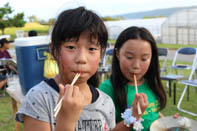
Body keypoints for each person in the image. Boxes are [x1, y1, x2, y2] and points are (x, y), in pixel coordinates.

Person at [15, 7, 148, 131]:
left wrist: (133, 117)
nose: (82, 59)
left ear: (101, 54)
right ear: (53, 51)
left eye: (92, 49)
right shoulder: (39, 99)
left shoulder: (105, 102)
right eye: (71, 47)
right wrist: (66, 122)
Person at [99, 26, 167, 130]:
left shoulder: (151, 83)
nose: (136, 65)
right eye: (129, 57)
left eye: (144, 59)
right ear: (118, 54)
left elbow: (154, 112)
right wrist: (134, 116)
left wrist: (168, 123)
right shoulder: (107, 90)